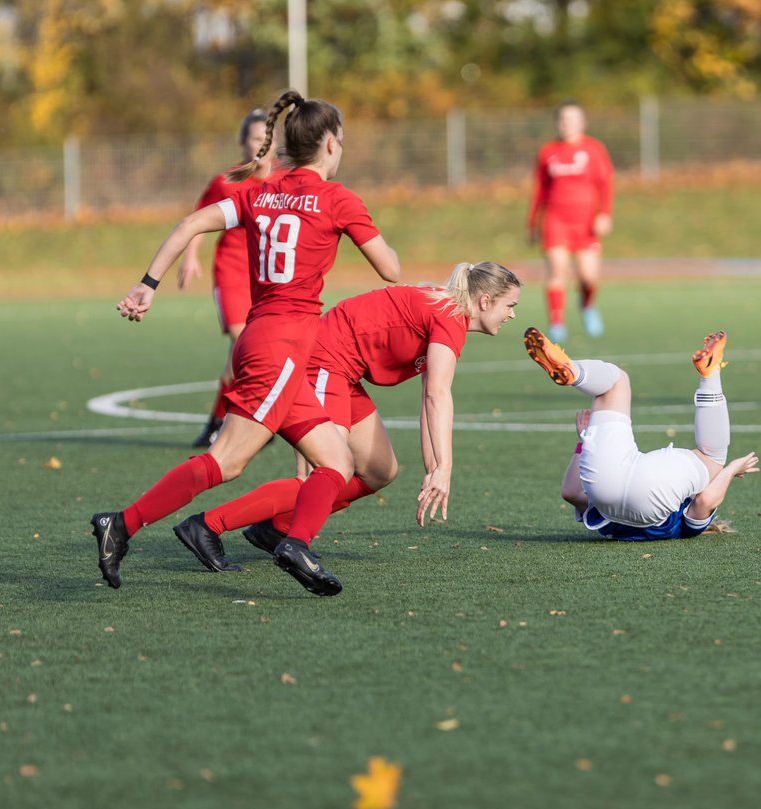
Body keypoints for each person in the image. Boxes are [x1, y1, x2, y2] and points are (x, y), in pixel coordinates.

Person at [90, 89, 400, 598]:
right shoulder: (337, 199)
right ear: (329, 144)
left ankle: (295, 542)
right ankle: (121, 524)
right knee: (228, 461)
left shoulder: (261, 192)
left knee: (337, 463)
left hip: (269, 342)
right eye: (340, 141)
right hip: (282, 345)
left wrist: (147, 285)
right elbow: (390, 269)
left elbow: (191, 224)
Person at [170, 262, 522, 571]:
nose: (512, 315)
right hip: (324, 360)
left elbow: (428, 399)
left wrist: (434, 468)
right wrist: (445, 468)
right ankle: (207, 525)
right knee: (326, 472)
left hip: (343, 371)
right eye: (510, 305)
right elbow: (437, 396)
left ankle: (276, 528)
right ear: (485, 301)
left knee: (381, 471)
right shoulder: (449, 318)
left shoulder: (447, 313)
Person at [522, 327, 759, 541]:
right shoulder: (610, 528)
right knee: (614, 386)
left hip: (655, 491)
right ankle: (573, 371)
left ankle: (574, 370)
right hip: (606, 490)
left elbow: (706, 501)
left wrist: (730, 469)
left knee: (713, 457)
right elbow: (571, 492)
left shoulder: (686, 529)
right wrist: (584, 441)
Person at [177, 108, 282, 447]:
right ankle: (230, 424)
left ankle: (220, 421)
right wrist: (191, 255)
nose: (261, 145)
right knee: (242, 344)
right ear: (243, 144)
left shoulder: (285, 182)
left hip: (266, 276)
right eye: (254, 139)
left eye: (267, 138)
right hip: (232, 272)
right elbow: (198, 218)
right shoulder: (227, 181)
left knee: (253, 352)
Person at [526, 100, 614, 344]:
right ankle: (556, 323)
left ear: (583, 122)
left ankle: (587, 305)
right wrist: (532, 223)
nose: (567, 124)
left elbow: (605, 184)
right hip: (556, 220)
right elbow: (540, 190)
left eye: (573, 119)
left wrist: (604, 213)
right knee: (557, 271)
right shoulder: (548, 151)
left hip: (585, 222)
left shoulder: (594, 149)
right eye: (563, 119)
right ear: (557, 122)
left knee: (589, 276)